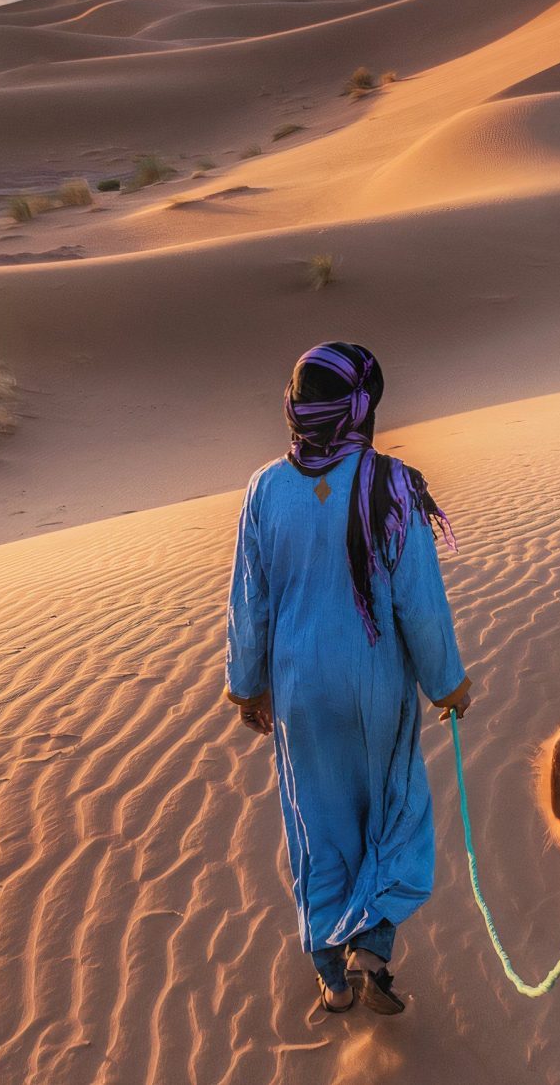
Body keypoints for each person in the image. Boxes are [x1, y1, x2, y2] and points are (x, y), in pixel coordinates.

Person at [225, 342, 473, 1019]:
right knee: (394, 814)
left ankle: (332, 978)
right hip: (375, 688)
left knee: (319, 826)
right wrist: (448, 684)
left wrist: (247, 685)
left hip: (299, 691)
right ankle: (372, 949)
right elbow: (418, 603)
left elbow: (250, 601)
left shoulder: (265, 489)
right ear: (363, 408)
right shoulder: (392, 484)